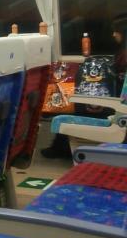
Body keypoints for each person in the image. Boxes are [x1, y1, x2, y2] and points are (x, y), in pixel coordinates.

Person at [41, 15, 127, 159]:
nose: (113, 34)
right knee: (78, 105)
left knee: (73, 110)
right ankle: (60, 148)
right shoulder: (123, 55)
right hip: (117, 107)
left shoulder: (124, 58)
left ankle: (60, 150)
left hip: (116, 110)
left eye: (116, 31)